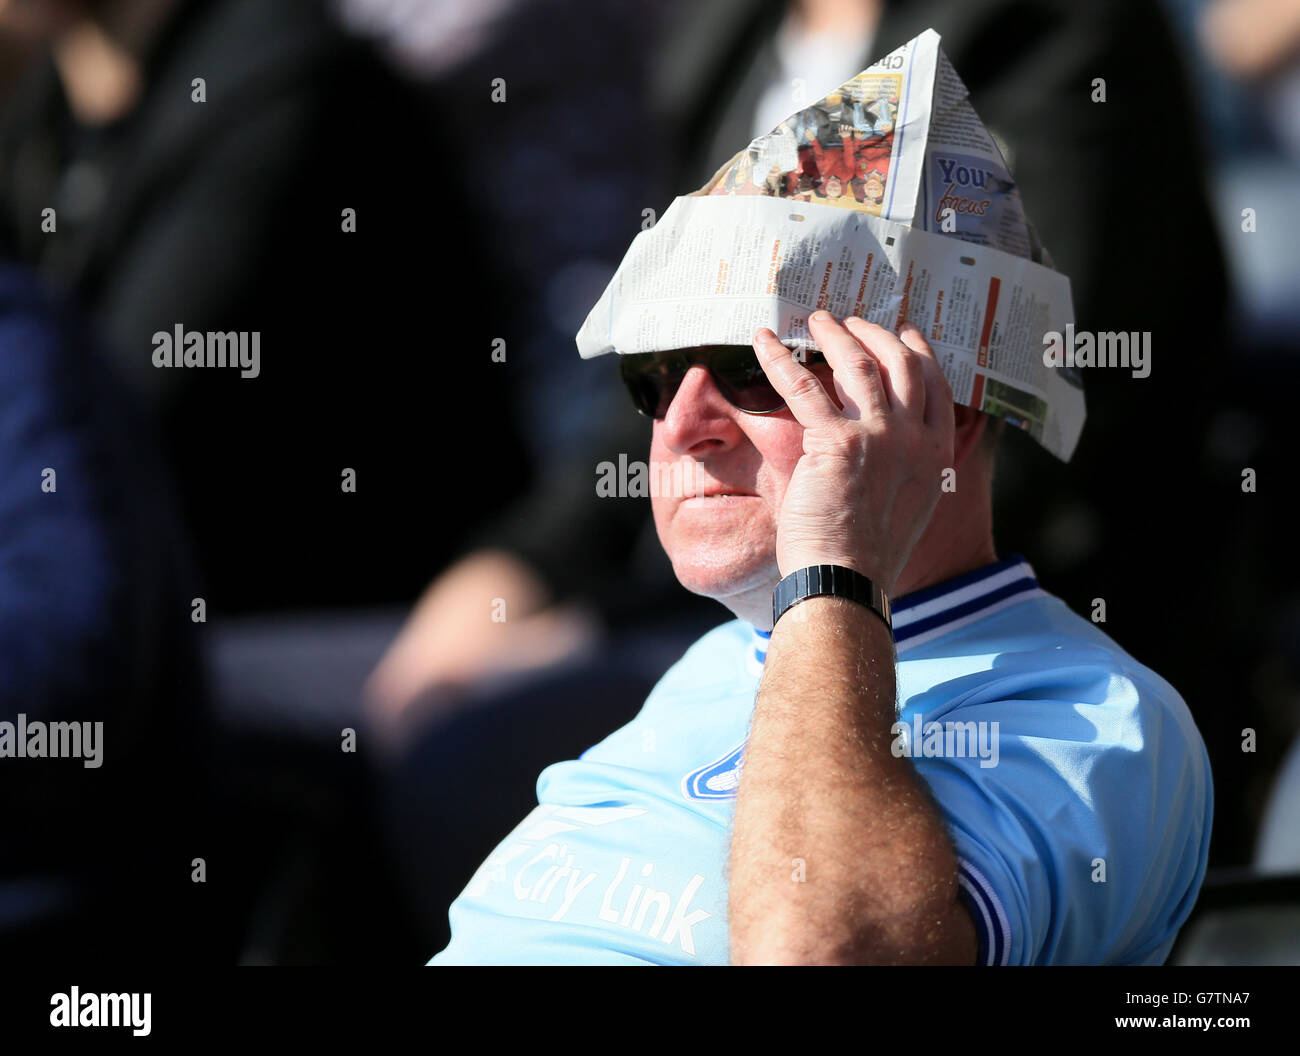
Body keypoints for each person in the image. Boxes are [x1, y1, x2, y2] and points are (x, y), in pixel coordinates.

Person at [429, 308, 1213, 965]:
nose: (681, 426)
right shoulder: (723, 654)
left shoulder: (1100, 717)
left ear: (946, 408)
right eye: (655, 379)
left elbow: (825, 956)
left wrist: (834, 569)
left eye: (758, 369)